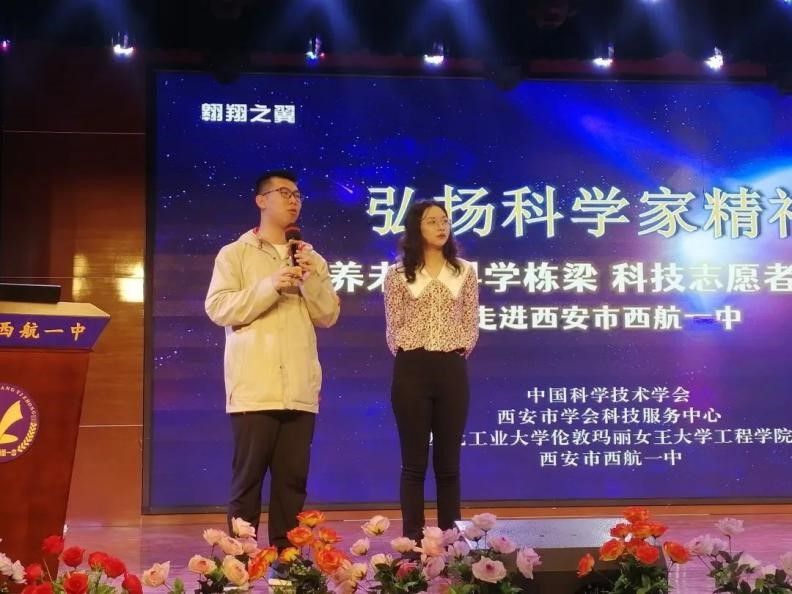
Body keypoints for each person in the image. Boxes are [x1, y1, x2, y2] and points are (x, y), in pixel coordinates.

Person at [205, 169, 340, 549]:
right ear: (261, 200)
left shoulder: (312, 258)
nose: (294, 200)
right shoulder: (235, 254)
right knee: (246, 483)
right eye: (284, 193)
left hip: (299, 388)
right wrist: (271, 285)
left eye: (297, 195)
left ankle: (289, 562)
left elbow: (328, 315)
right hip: (255, 388)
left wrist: (310, 279)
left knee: (292, 484)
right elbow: (218, 308)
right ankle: (240, 563)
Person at [383, 200, 479, 542]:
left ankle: (451, 543)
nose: (441, 227)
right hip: (412, 368)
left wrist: (457, 348)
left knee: (449, 465)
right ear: (416, 228)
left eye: (445, 220)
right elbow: (393, 326)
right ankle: (412, 543)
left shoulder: (464, 271)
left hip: (451, 368)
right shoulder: (397, 274)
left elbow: (470, 321)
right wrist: (412, 351)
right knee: (413, 464)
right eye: (432, 221)